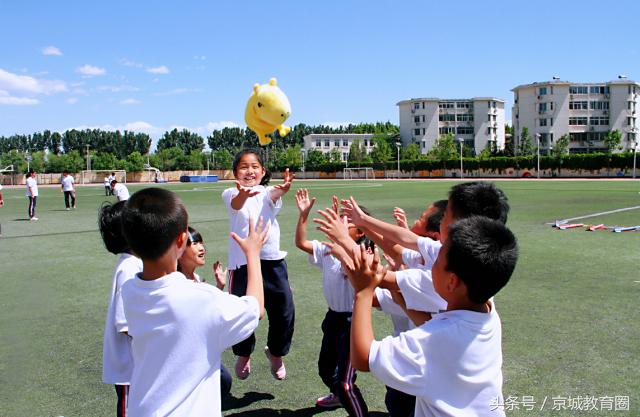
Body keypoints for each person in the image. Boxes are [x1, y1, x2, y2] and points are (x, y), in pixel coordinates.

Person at [328, 216, 518, 417]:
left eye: (436, 261)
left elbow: (364, 358)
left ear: (451, 281)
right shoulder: (487, 310)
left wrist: (362, 293)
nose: (429, 266)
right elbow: (429, 323)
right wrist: (401, 299)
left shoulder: (430, 342)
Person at [118, 187, 266, 417]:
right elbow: (255, 308)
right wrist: (253, 254)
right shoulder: (200, 299)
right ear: (181, 239)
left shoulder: (130, 290)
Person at [294, 189, 369, 416]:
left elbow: (355, 267)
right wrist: (304, 215)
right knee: (325, 368)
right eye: (340, 220)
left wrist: (341, 243)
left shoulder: (361, 253)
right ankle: (337, 396)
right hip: (333, 317)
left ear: (359, 233)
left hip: (352, 320)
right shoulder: (326, 250)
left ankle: (353, 405)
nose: (341, 223)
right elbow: (300, 243)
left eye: (348, 222)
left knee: (344, 381)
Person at [221, 149, 295, 381]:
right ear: (235, 173)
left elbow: (273, 195)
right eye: (244, 167)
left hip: (272, 261)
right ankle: (243, 354)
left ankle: (275, 353)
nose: (250, 171)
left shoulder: (266, 193)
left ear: (263, 172)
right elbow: (236, 203)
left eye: (255, 166)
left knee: (284, 312)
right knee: (242, 312)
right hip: (241, 263)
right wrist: (243, 194)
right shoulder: (230, 192)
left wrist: (282, 189)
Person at [177, 225, 232, 399]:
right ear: (178, 250)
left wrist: (219, 287)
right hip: (185, 358)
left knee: (224, 382)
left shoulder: (198, 280)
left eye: (201, 243)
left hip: (200, 352)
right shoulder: (176, 283)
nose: (202, 248)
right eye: (194, 243)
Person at [98, 201, 143, 417]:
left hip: (142, 367)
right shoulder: (130, 268)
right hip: (131, 368)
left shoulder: (138, 263)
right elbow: (125, 324)